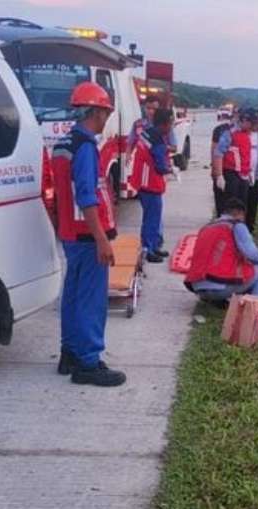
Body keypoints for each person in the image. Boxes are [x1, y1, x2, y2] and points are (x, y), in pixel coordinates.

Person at [50, 82, 126, 387]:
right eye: (105, 112)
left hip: (71, 234)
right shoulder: (84, 147)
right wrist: (102, 239)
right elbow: (87, 195)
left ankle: (69, 353)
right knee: (91, 302)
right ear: (94, 111)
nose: (107, 118)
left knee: (72, 297)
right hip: (86, 235)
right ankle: (89, 363)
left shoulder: (63, 144)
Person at [185, 198, 258, 302]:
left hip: (197, 286)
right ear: (240, 213)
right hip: (219, 286)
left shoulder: (206, 228)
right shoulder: (236, 226)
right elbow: (252, 255)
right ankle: (255, 308)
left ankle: (222, 302)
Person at [133, 108, 175, 263]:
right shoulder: (157, 140)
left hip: (143, 181)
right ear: (165, 124)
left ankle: (153, 246)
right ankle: (148, 249)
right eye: (171, 123)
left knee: (150, 217)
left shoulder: (147, 133)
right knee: (152, 219)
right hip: (150, 184)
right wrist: (171, 169)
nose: (171, 127)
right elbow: (160, 166)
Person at [213, 109, 257, 215]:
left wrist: (249, 172)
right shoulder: (229, 134)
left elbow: (246, 155)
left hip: (244, 175)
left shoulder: (247, 135)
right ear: (244, 120)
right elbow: (218, 153)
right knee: (230, 205)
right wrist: (219, 175)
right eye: (251, 124)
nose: (252, 127)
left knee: (242, 205)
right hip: (231, 174)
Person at [210, 118, 232, 215]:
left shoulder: (241, 132)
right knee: (220, 197)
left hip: (232, 170)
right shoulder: (220, 129)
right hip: (220, 168)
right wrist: (214, 169)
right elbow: (214, 149)